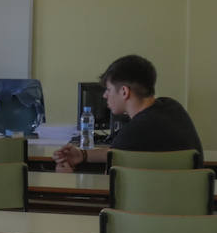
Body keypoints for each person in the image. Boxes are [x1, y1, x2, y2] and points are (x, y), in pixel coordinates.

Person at [54, 54, 203, 172]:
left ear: (124, 91)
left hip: (139, 210)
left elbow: (110, 184)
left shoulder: (133, 132)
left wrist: (67, 177)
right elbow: (119, 151)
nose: (105, 95)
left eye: (109, 89)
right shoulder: (173, 107)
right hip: (190, 208)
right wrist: (83, 155)